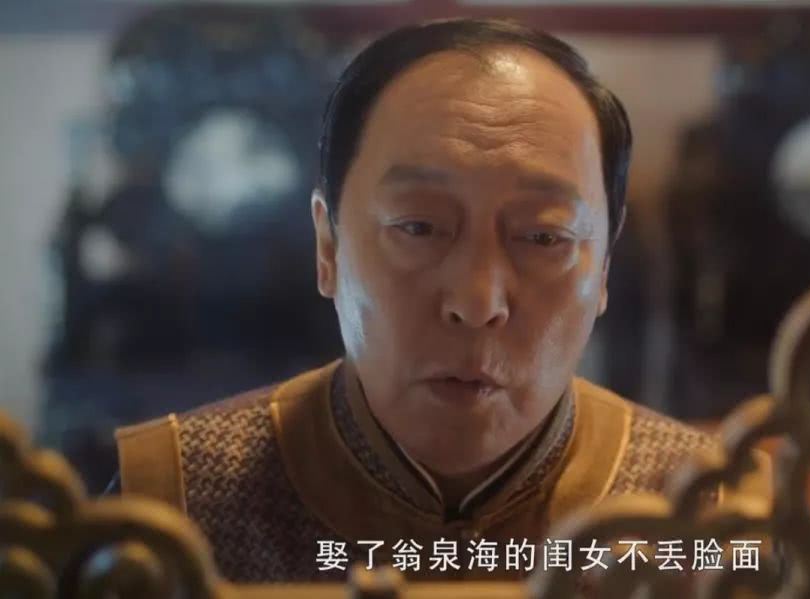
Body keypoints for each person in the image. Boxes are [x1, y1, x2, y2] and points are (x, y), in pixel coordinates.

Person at [112, 18, 759, 583]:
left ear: (606, 269)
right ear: (328, 246)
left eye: (543, 237)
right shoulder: (169, 507)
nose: (477, 302)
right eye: (419, 227)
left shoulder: (712, 513)